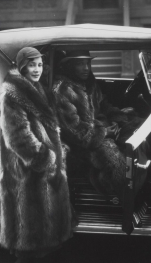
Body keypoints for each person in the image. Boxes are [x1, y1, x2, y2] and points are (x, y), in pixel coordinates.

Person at [0, 47, 75, 263]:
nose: (37, 70)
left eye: (40, 65)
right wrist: (46, 159)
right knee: (28, 225)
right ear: (22, 66)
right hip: (26, 170)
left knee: (43, 223)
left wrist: (57, 150)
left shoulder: (37, 89)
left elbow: (47, 126)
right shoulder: (12, 93)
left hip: (43, 167)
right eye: (32, 65)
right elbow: (18, 136)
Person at [52, 50, 142, 198]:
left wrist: (118, 119)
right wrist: (104, 132)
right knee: (114, 158)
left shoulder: (89, 83)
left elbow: (104, 106)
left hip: (99, 129)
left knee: (137, 126)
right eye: (80, 64)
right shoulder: (62, 90)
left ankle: (139, 185)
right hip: (79, 144)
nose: (86, 68)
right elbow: (75, 131)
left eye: (88, 63)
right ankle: (119, 197)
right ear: (69, 65)